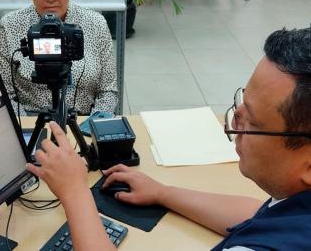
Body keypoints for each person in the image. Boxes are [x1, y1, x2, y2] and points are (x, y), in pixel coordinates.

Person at [27, 27, 311, 250]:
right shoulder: (295, 206)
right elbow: (259, 216)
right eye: (242, 102)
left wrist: (75, 192)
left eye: (252, 120)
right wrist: (162, 193)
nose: (235, 118)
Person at [0, 0, 118, 115]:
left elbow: (108, 92)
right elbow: (3, 93)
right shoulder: (9, 26)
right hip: (32, 121)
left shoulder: (96, 23)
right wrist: (29, 130)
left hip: (82, 121)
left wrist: (91, 127)